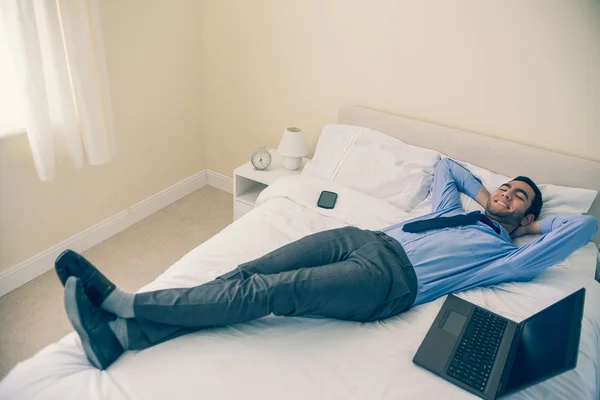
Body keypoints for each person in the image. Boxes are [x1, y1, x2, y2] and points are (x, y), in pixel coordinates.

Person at [56, 158, 598, 370]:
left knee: (272, 292)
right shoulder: (451, 211)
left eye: (519, 196)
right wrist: (487, 198)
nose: (507, 194)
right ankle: (124, 338)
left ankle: (127, 304)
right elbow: (447, 169)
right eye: (506, 187)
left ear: (529, 216)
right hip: (357, 238)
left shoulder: (506, 256)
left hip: (386, 281)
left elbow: (584, 227)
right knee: (249, 271)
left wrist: (530, 227)